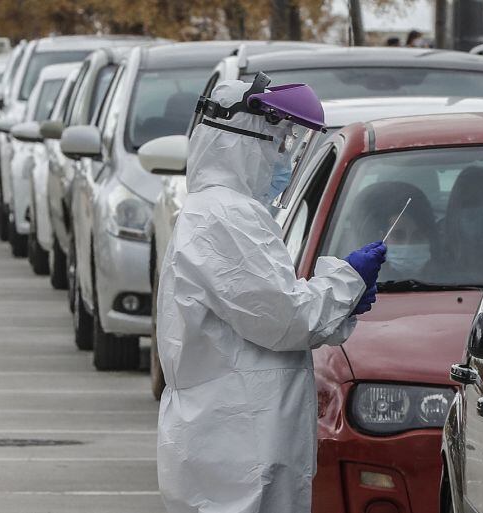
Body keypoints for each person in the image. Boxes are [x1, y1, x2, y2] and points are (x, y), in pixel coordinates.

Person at [154, 75, 387, 513]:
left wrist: (344, 298)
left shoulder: (225, 212)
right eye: (277, 144)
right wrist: (347, 280)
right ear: (245, 142)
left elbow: (267, 307)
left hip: (235, 435)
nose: (283, 158)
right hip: (237, 442)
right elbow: (286, 319)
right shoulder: (225, 217)